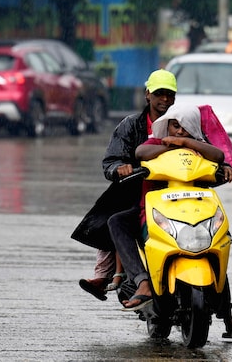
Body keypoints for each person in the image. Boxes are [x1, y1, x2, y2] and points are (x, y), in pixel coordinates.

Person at [109, 103, 232, 339]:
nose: (179, 131)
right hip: (156, 212)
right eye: (175, 125)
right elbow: (140, 154)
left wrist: (187, 143)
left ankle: (228, 319)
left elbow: (218, 156)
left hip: (196, 213)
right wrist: (168, 145)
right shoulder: (157, 142)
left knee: (218, 244)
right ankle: (142, 281)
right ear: (167, 125)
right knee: (117, 222)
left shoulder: (201, 148)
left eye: (185, 127)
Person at [74, 69, 178, 302]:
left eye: (170, 95)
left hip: (182, 197)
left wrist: (223, 168)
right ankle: (125, 279)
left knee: (218, 238)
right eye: (159, 94)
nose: (164, 100)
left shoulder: (183, 123)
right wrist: (120, 167)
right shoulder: (131, 126)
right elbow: (111, 161)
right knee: (114, 220)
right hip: (138, 196)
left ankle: (228, 316)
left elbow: (209, 150)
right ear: (147, 95)